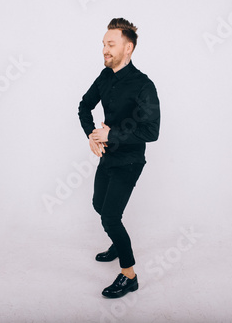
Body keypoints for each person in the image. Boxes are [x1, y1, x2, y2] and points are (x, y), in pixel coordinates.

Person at [77, 17, 161, 298]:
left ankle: (129, 275)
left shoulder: (143, 85)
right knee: (98, 205)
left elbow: (152, 131)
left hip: (130, 161)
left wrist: (110, 135)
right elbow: (84, 106)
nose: (105, 49)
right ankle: (117, 241)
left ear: (129, 48)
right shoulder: (104, 77)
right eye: (103, 44)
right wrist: (92, 134)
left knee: (110, 216)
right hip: (108, 157)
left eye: (111, 44)